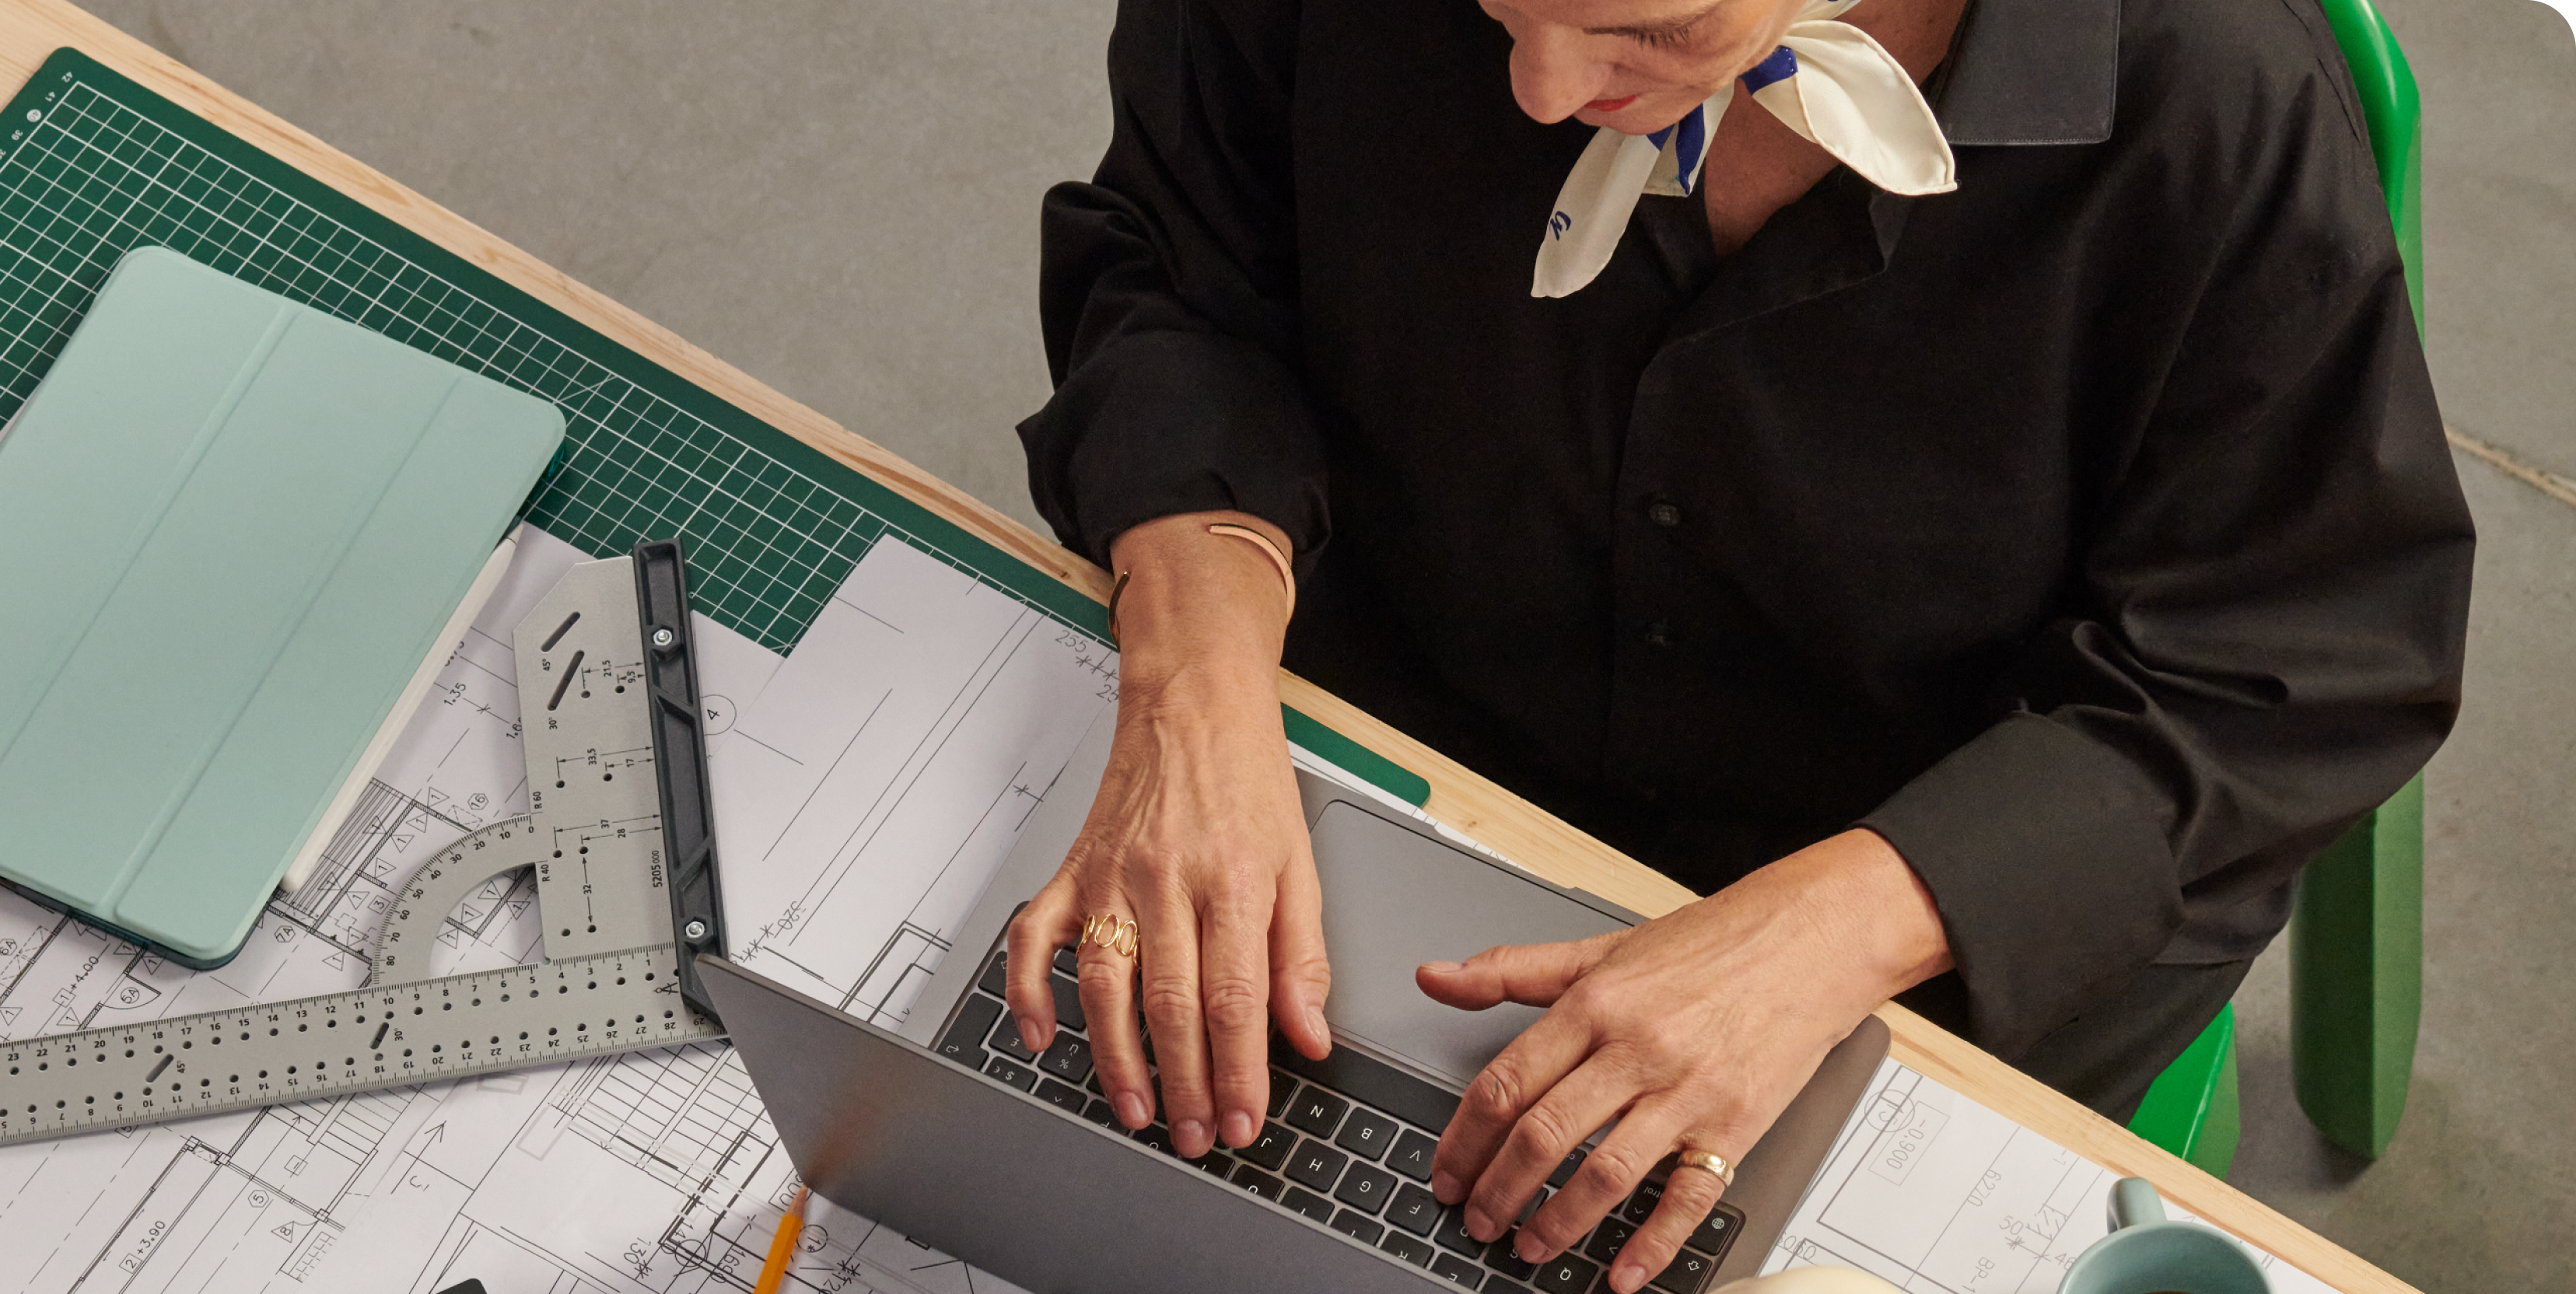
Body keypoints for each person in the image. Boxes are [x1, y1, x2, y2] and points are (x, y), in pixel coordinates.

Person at [996, 0, 2471, 1286]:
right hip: (1395, 745)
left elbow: (2288, 667)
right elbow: (1176, 265)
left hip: (1923, 888)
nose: (1540, 94)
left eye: (1650, 28)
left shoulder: (2213, 95)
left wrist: (1831, 932)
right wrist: (1192, 686)